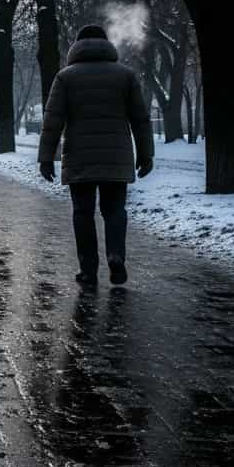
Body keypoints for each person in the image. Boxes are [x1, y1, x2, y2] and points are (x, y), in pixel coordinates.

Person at [37, 25, 153, 287]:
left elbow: (52, 121)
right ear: (106, 45)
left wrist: (46, 157)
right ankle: (115, 255)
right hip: (117, 157)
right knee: (114, 210)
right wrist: (146, 155)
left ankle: (88, 270)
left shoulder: (65, 77)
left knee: (83, 213)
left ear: (77, 47)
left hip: (79, 157)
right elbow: (141, 120)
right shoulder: (125, 76)